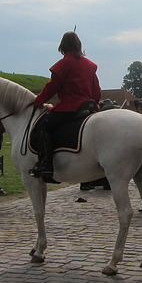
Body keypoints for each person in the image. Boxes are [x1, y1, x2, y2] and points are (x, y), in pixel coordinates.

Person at [30, 32, 101, 182]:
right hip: (87, 107)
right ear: (78, 45)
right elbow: (96, 90)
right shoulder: (89, 65)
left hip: (69, 107)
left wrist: (38, 101)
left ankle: (47, 165)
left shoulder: (62, 65)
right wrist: (94, 104)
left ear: (63, 46)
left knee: (43, 128)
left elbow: (52, 88)